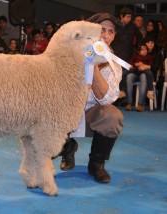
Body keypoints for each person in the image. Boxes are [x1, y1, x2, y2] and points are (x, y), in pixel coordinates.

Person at [59, 13, 123, 183]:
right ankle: (66, 148)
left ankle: (96, 164)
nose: (106, 35)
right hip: (64, 114)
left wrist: (93, 67)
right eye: (102, 30)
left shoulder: (114, 64)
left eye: (111, 32)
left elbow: (108, 99)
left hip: (89, 117)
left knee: (112, 116)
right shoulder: (69, 53)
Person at [111, 7, 142, 99]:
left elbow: (139, 37)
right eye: (127, 17)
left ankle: (123, 98)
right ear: (121, 16)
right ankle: (113, 99)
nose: (129, 19)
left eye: (130, 17)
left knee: (123, 75)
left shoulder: (133, 27)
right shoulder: (115, 26)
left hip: (128, 55)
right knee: (114, 77)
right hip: (115, 54)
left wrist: (136, 48)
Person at [125, 43, 154, 112]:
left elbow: (151, 66)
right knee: (129, 76)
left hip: (144, 75)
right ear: (138, 51)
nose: (145, 51)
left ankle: (141, 104)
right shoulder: (135, 56)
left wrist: (144, 65)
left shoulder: (149, 57)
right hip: (135, 74)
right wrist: (136, 64)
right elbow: (130, 64)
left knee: (143, 76)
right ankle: (128, 102)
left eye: (146, 49)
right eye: (142, 50)